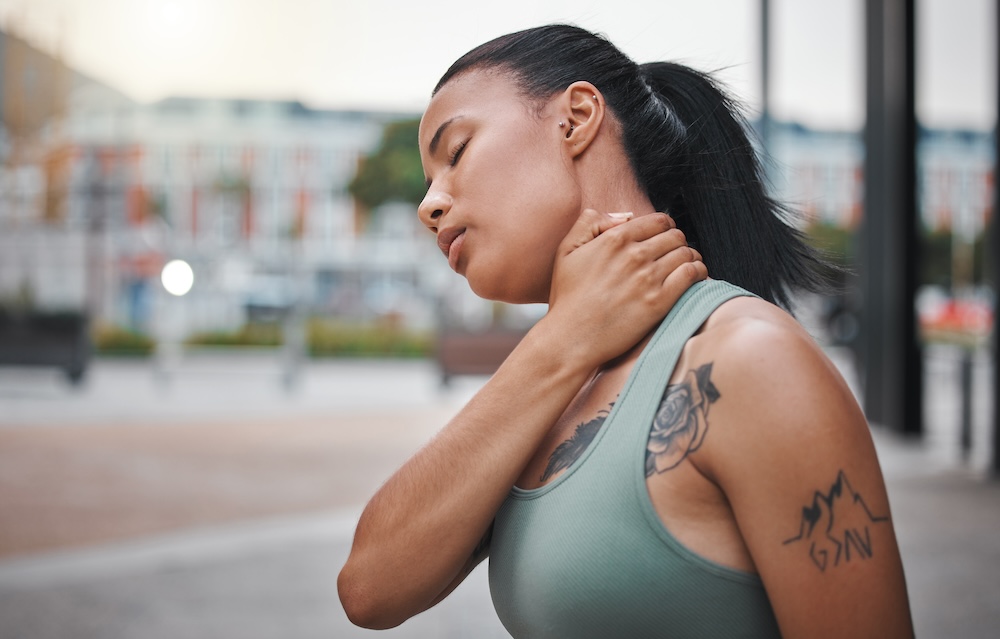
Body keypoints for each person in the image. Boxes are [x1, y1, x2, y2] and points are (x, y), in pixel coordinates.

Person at [339, 24, 914, 638]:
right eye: (430, 183)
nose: (429, 205)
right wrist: (562, 342)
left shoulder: (751, 360)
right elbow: (370, 590)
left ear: (577, 117)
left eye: (455, 153)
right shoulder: (563, 376)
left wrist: (565, 342)